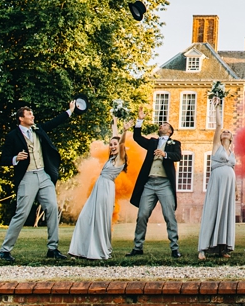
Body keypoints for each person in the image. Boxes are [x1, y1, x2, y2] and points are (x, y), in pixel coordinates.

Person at [0, 101, 77, 262]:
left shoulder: (38, 129)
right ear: (21, 118)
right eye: (29, 114)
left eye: (32, 114)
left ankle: (52, 248)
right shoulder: (12, 136)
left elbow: (54, 122)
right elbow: (3, 159)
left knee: (52, 207)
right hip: (27, 177)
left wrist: (70, 111)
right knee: (22, 213)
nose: (32, 116)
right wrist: (15, 158)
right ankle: (4, 250)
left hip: (44, 175)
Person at [67, 113, 128, 260]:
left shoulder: (120, 160)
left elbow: (121, 143)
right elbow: (115, 137)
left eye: (115, 145)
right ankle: (80, 250)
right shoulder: (111, 158)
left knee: (100, 219)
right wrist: (115, 120)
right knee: (85, 217)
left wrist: (124, 131)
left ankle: (98, 251)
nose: (113, 146)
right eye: (111, 144)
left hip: (106, 189)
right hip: (98, 187)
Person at [127, 106, 183, 259]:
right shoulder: (152, 142)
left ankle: (174, 248)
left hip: (165, 184)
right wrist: (139, 120)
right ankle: (138, 247)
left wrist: (165, 154)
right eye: (161, 125)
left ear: (170, 131)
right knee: (142, 214)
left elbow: (178, 156)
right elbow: (137, 138)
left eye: (164, 125)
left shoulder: (174, 143)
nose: (161, 125)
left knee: (169, 216)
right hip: (150, 184)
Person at [197, 99, 237, 260]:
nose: (225, 132)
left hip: (229, 185)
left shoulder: (232, 152)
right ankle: (203, 249)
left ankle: (223, 247)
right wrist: (217, 107)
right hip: (217, 182)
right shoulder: (216, 147)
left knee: (226, 213)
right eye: (224, 132)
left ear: (232, 138)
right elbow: (219, 125)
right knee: (213, 210)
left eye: (229, 131)